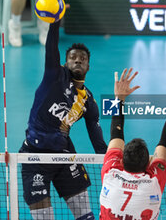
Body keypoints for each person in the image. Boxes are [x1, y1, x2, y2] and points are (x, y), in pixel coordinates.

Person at [19, 12, 107, 220]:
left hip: (65, 156)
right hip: (35, 156)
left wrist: (113, 165)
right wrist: (55, 21)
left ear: (88, 66)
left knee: (86, 217)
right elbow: (51, 46)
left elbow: (99, 143)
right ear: (65, 63)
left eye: (82, 59)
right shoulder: (54, 75)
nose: (77, 60)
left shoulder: (88, 101)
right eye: (73, 58)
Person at [99, 68, 166, 220]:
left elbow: (115, 133)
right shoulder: (153, 183)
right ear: (149, 165)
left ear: (121, 160)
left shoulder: (110, 174)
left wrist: (119, 98)